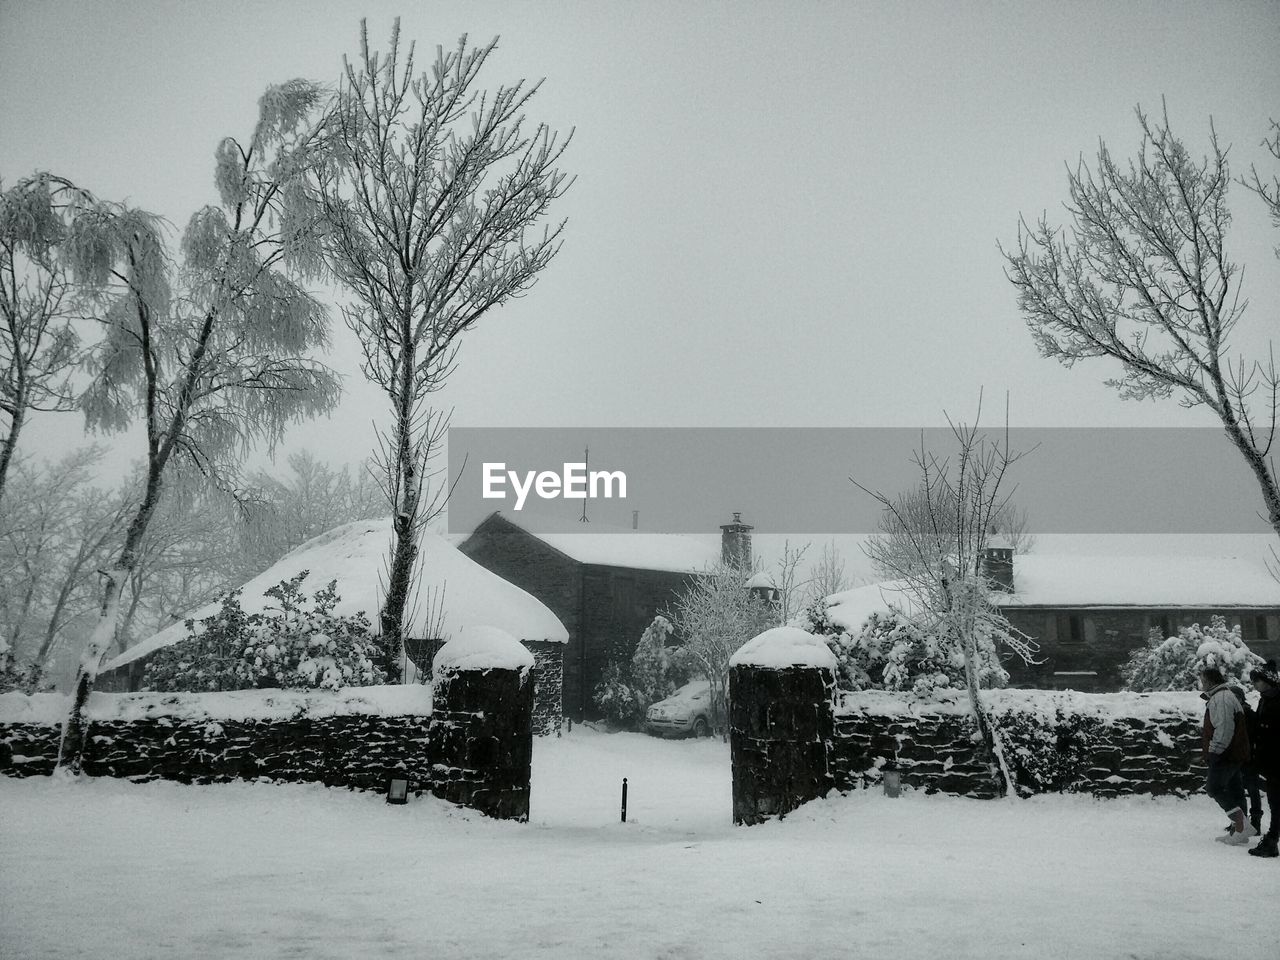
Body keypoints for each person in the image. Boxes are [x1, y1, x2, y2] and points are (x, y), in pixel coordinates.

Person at [1199, 666, 1254, 845]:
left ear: (1209, 681)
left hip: (1226, 753)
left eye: (1202, 680)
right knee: (1235, 788)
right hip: (1233, 752)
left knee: (1214, 788)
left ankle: (1241, 826)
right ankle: (1239, 832)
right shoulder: (1222, 696)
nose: (1201, 684)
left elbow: (1224, 728)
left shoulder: (1221, 698)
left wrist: (1215, 751)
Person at [1248, 660, 1280, 858]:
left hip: (1277, 760)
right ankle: (1271, 839)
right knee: (1275, 801)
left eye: (1256, 681)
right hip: (1270, 761)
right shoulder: (1265, 699)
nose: (1254, 684)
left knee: (1276, 801)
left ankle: (1272, 840)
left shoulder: (1276, 700)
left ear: (1267, 681)